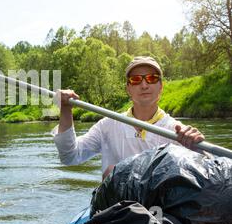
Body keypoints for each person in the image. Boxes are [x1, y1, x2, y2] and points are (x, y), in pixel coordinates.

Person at [52, 56, 205, 180]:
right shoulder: (107, 125)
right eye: (136, 80)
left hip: (159, 209)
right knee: (110, 172)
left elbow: (203, 174)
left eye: (152, 78)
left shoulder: (176, 131)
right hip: (116, 207)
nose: (144, 85)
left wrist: (197, 150)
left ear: (161, 86)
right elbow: (70, 156)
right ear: (128, 88)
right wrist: (66, 110)